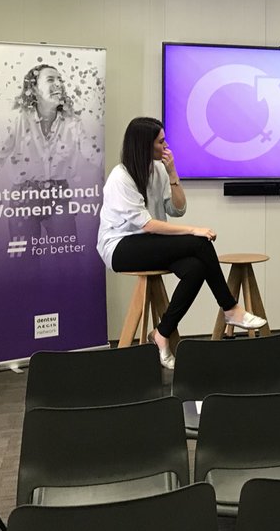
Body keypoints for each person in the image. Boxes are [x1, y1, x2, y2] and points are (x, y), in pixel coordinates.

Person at [97, 117, 265, 369]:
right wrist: (193, 231)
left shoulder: (157, 169)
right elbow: (147, 224)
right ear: (145, 145)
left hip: (151, 243)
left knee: (196, 269)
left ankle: (162, 333)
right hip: (120, 247)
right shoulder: (120, 178)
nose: (166, 146)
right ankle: (230, 308)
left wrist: (173, 173)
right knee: (200, 243)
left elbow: (178, 209)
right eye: (161, 142)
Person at [0, 63, 101, 236]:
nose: (58, 84)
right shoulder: (18, 118)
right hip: (24, 196)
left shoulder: (72, 121)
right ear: (34, 88)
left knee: (67, 253)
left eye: (60, 80)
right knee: (25, 257)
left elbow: (92, 153)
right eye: (51, 79)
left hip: (59, 194)